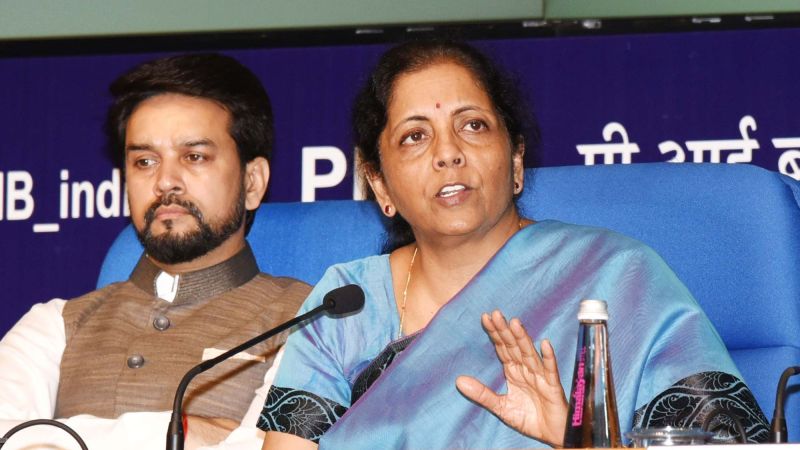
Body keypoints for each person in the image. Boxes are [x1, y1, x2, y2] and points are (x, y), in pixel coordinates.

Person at [257, 40, 770, 449]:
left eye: (473, 125)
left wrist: (577, 443)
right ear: (380, 184)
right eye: (415, 136)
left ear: (516, 159)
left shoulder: (617, 277)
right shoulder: (346, 306)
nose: (448, 153)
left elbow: (726, 441)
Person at [0, 54, 310, 450]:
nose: (165, 182)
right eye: (144, 161)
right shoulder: (54, 325)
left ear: (252, 182)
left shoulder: (311, 322)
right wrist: (181, 431)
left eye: (194, 157)